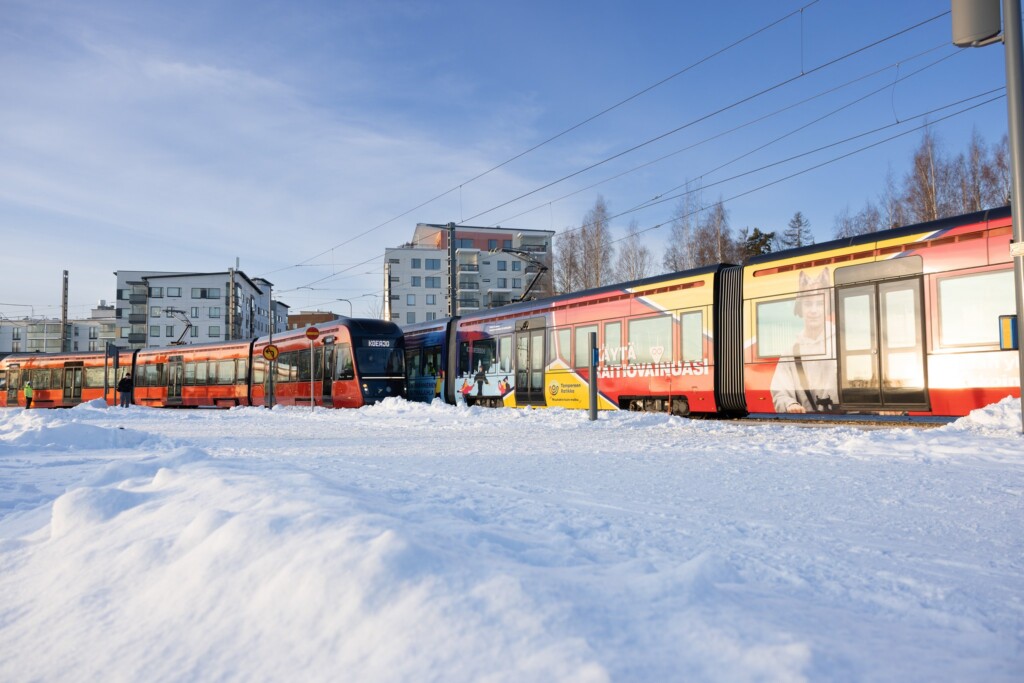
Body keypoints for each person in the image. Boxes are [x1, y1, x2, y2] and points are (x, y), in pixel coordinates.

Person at [770, 268, 839, 413]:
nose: (814, 310)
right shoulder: (791, 351)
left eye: (819, 304)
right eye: (808, 304)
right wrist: (789, 404)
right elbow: (780, 391)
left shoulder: (841, 342)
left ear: (828, 307)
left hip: (842, 418)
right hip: (808, 419)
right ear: (800, 307)